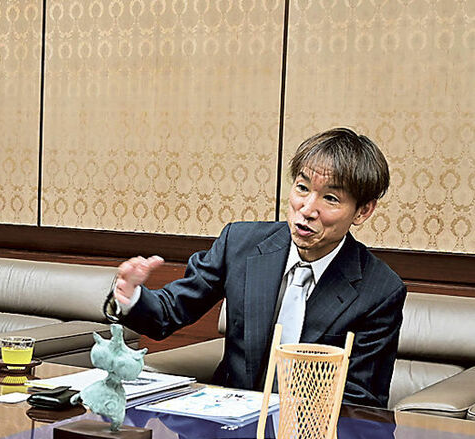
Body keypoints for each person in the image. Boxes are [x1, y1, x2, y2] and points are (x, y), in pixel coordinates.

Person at [108, 128, 406, 408]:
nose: (307, 208)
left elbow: (361, 400)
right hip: (226, 423)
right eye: (302, 188)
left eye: (330, 198)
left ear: (363, 211)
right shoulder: (240, 243)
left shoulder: (379, 290)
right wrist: (130, 295)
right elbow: (169, 311)